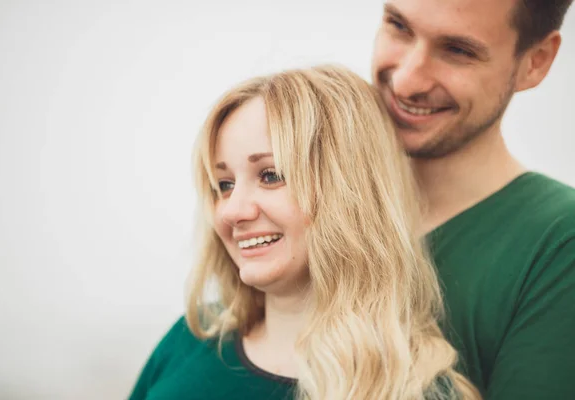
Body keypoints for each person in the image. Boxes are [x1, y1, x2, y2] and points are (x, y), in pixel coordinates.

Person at [128, 65, 480, 399]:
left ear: (350, 192)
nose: (233, 210)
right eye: (224, 184)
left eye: (270, 175)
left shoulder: (419, 391)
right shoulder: (195, 336)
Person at [370, 0, 575, 398]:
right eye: (399, 26)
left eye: (459, 51)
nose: (408, 81)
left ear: (535, 61)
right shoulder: (300, 200)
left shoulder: (558, 246)